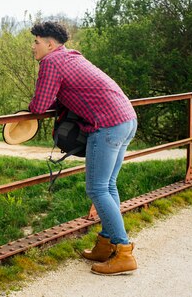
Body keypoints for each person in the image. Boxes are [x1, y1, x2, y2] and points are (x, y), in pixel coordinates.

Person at [27, 21, 138, 275]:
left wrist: (29, 109)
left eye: (36, 41)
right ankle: (107, 243)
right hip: (127, 119)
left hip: (108, 125)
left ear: (50, 44)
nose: (33, 47)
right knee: (108, 185)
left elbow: (40, 106)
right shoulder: (71, 56)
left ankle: (123, 252)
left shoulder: (51, 62)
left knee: (97, 188)